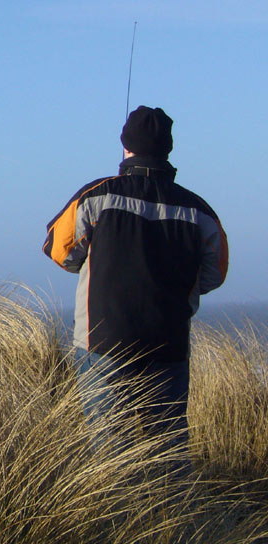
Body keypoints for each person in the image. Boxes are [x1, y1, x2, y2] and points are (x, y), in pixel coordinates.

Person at [42, 105, 228, 451]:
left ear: (125, 146)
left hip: (102, 341)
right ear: (167, 149)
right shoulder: (199, 210)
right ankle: (173, 506)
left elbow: (58, 249)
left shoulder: (96, 195)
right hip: (168, 341)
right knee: (168, 449)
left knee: (111, 449)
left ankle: (120, 505)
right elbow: (215, 273)